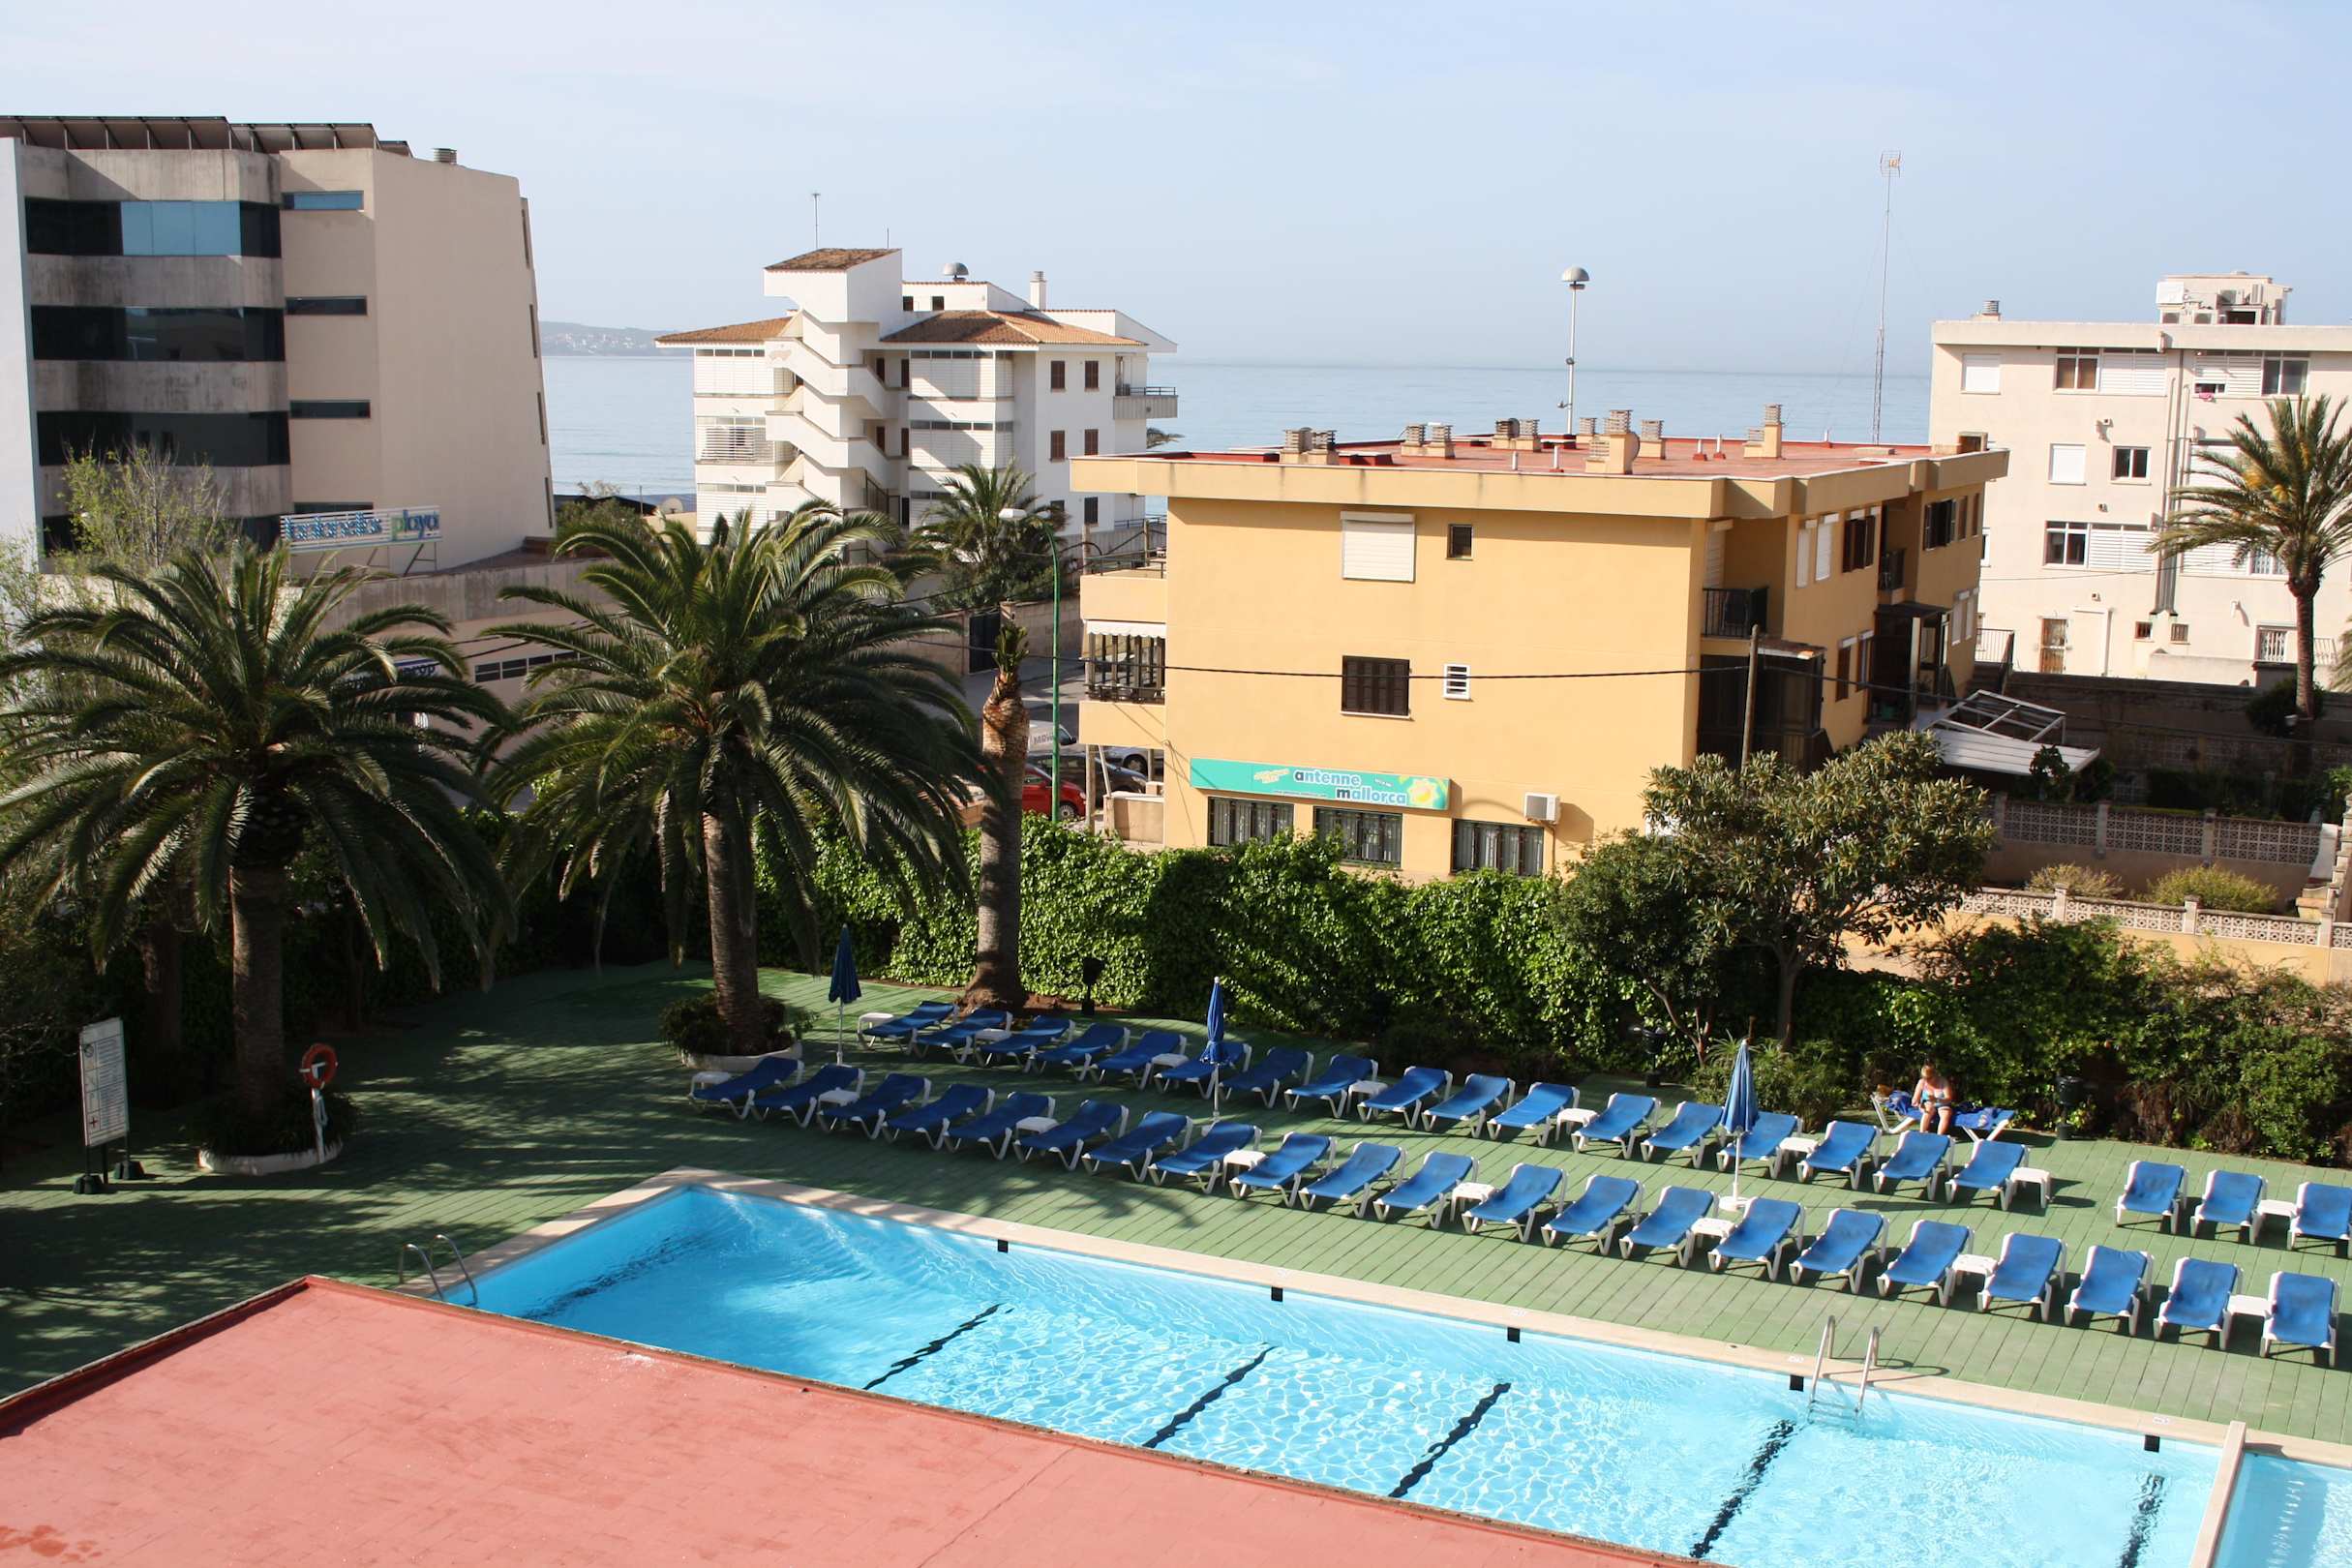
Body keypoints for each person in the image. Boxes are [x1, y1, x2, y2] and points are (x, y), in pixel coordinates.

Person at [1914, 1061, 1955, 1135]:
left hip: (1942, 1103)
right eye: (1925, 1078)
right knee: (1928, 1110)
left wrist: (1937, 1099)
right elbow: (1915, 1100)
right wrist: (1919, 1105)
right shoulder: (1922, 1082)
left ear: (1935, 1075)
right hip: (1928, 1104)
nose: (1927, 1081)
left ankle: (1939, 1136)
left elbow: (1949, 1098)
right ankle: (1922, 1133)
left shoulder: (1943, 1082)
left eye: (1929, 1078)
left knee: (1946, 1113)